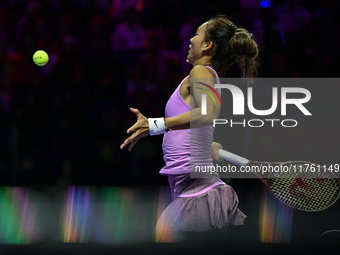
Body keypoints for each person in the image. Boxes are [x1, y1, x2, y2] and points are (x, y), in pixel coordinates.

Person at [120, 15, 259, 241]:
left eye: (196, 34)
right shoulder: (205, 75)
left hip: (199, 195)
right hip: (196, 191)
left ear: (207, 45)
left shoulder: (201, 71)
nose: (191, 39)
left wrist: (156, 125)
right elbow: (201, 118)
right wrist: (205, 144)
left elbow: (208, 113)